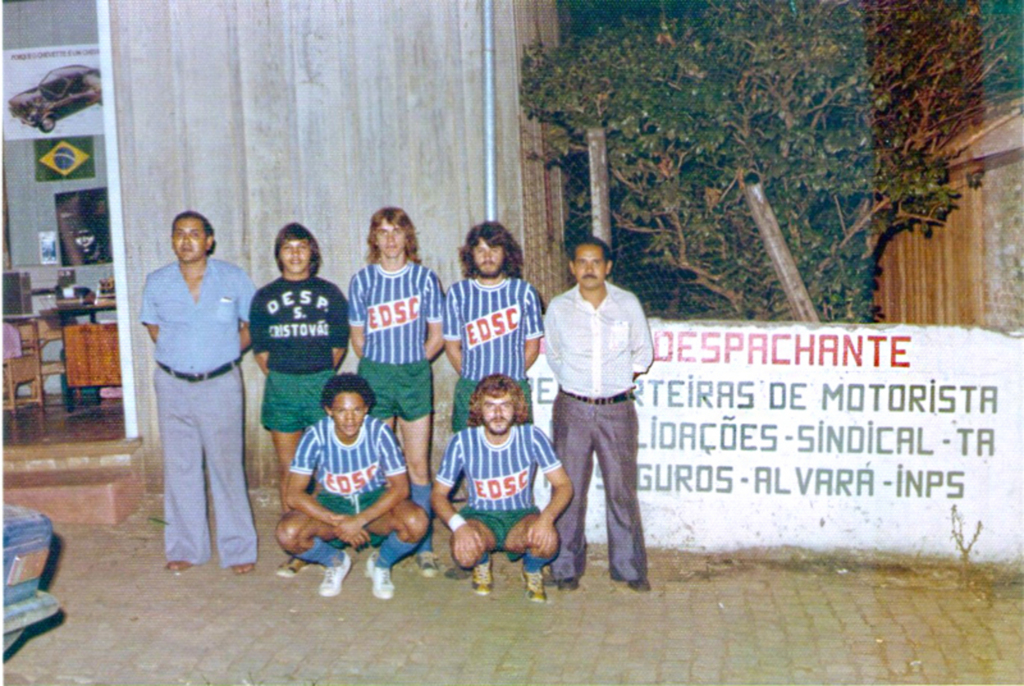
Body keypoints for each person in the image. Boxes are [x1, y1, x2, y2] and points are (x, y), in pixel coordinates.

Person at [140, 210, 258, 575]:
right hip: (173, 385)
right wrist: (183, 360)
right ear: (172, 240)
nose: (187, 240)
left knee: (226, 468)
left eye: (195, 234)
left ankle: (238, 551)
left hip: (220, 384)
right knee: (181, 469)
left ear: (209, 241)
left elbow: (253, 325)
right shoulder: (157, 282)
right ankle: (187, 548)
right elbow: (154, 328)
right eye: (179, 233)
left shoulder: (233, 278)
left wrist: (221, 355)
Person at [543, 236, 654, 592]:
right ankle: (563, 568)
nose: (589, 268)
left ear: (607, 267)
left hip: (616, 410)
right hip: (572, 409)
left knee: (621, 490)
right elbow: (554, 355)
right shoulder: (559, 308)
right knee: (567, 489)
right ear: (572, 268)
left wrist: (616, 382)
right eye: (582, 262)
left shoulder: (627, 304)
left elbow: (644, 354)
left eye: (596, 262)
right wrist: (579, 387)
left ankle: (629, 568)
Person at [348, 207, 444, 577]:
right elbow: (358, 338)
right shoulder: (363, 281)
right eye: (383, 232)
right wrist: (379, 364)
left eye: (397, 232)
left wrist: (413, 362)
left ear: (408, 238)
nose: (390, 239)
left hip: (414, 375)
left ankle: (424, 544)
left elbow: (436, 335)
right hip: (375, 375)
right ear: (374, 239)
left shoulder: (423, 279)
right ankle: (382, 536)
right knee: (378, 465)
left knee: (417, 464)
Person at [249, 222, 349, 579]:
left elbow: (339, 346)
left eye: (301, 247)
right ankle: (296, 545)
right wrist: (285, 374)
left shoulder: (330, 293)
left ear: (312, 253)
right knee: (290, 470)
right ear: (278, 254)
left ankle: (325, 539)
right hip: (282, 387)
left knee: (325, 468)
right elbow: (261, 352)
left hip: (320, 383)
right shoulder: (264, 297)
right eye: (287, 248)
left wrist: (317, 376)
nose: (294, 254)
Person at [276, 374, 427, 600]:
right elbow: (294, 494)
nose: (349, 419)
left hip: (372, 503)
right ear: (329, 410)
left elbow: (400, 488)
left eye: (356, 410)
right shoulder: (316, 435)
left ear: (366, 409)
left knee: (417, 521)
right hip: (333, 504)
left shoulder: (379, 432)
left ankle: (381, 563)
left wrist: (360, 519)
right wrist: (337, 520)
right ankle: (335, 561)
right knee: (288, 533)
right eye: (341, 411)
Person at [431, 374, 573, 603]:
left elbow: (564, 485)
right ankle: (482, 563)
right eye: (490, 406)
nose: (497, 414)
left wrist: (546, 519)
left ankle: (532, 568)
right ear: (479, 408)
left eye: (505, 405)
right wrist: (459, 527)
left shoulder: (532, 436)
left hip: (520, 516)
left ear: (516, 407)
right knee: (463, 553)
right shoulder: (462, 441)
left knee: (548, 542)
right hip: (480, 517)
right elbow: (438, 495)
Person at [443, 221, 544, 432]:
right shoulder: (458, 293)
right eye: (481, 250)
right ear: (470, 254)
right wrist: (478, 383)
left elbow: (532, 347)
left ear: (506, 253)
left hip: (514, 386)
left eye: (494, 250)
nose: (487, 256)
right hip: (472, 387)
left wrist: (505, 382)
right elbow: (452, 347)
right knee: (469, 455)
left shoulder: (524, 292)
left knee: (516, 454)